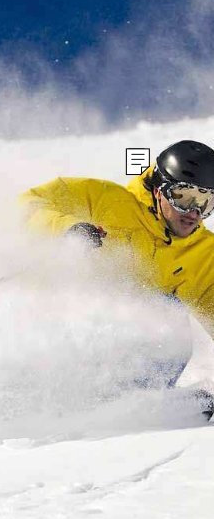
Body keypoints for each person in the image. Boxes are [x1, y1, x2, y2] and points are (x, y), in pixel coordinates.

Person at [20, 140, 214, 415]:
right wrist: (68, 229)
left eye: (206, 202)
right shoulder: (105, 200)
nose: (194, 213)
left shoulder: (203, 253)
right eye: (184, 197)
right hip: (52, 330)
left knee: (169, 321)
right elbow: (26, 204)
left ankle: (141, 407)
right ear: (160, 190)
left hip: (120, 367)